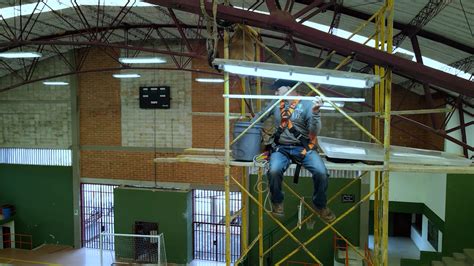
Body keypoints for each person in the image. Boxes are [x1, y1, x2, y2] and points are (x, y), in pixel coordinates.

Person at [252, 79, 336, 223]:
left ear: (289, 88)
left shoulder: (308, 104)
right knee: (274, 171)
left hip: (303, 148)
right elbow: (258, 118)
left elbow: (314, 132)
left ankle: (319, 204)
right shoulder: (276, 103)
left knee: (321, 173)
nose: (275, 91)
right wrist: (248, 125)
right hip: (281, 148)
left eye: (278, 88)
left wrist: (315, 113)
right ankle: (277, 202)